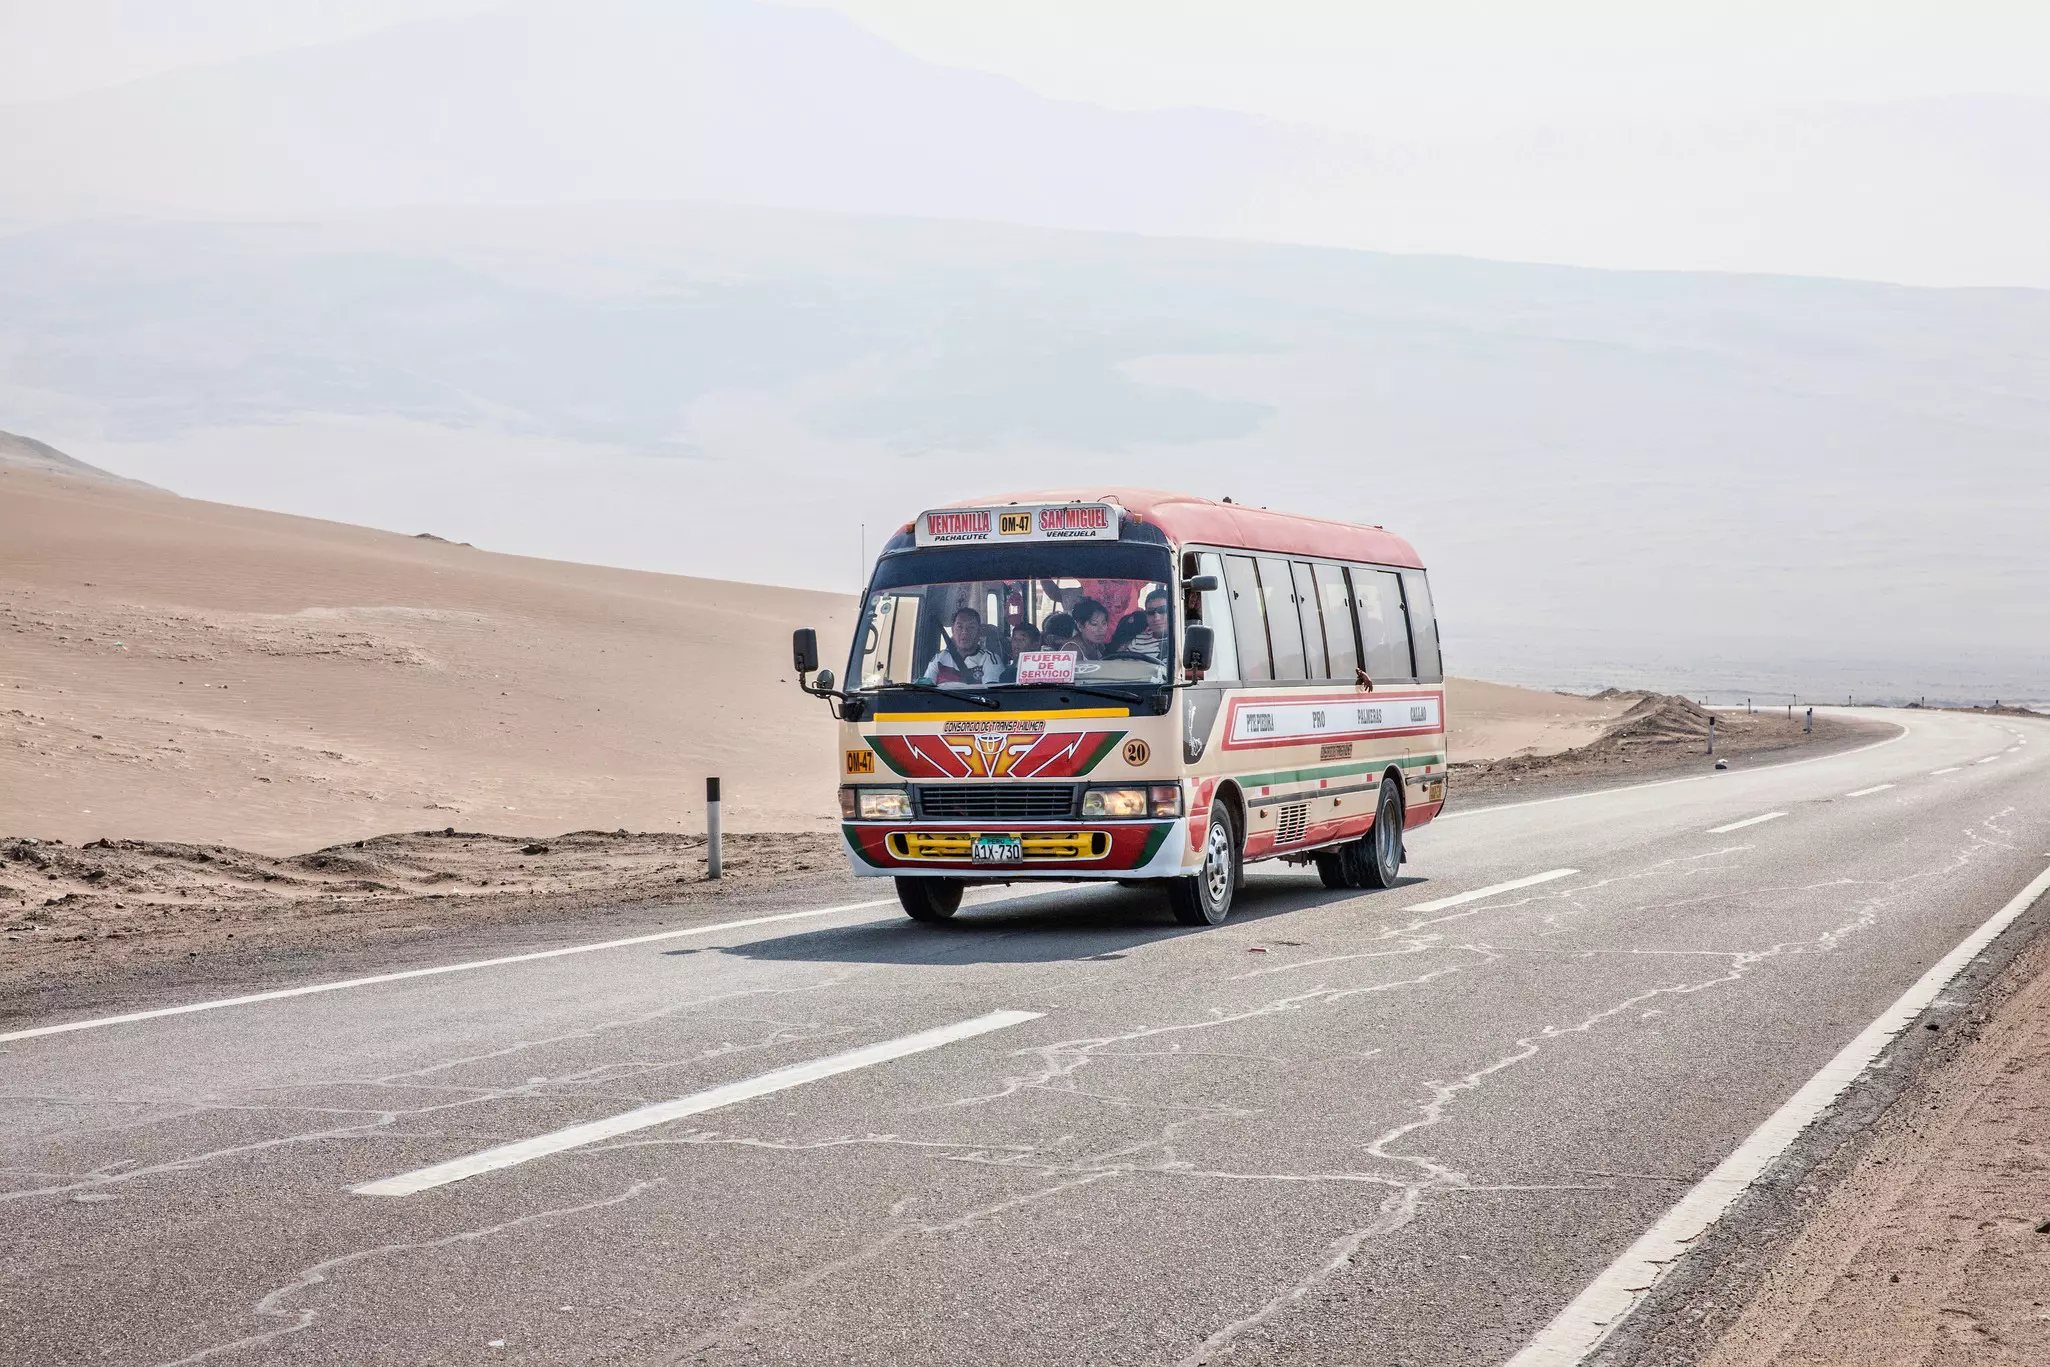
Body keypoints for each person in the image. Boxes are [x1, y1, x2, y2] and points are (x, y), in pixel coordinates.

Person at [918, 606, 1002, 687]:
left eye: (971, 627)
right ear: (952, 630)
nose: (965, 632)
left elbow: (991, 695)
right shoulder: (939, 659)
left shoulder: (989, 659)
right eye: (959, 627)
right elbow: (925, 691)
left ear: (979, 632)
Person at [1127, 587, 1172, 663]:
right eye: (1150, 612)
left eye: (1162, 610)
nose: (1156, 618)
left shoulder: (1181, 643)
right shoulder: (1137, 641)